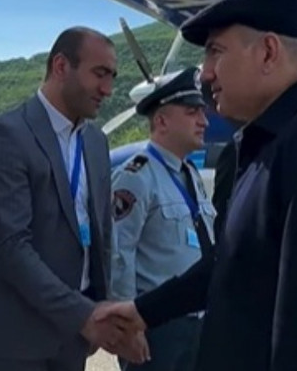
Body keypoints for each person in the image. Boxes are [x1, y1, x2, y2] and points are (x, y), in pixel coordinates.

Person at [97, 0, 297, 371]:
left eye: (215, 51)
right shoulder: (272, 142)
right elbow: (233, 265)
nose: (206, 73)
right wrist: (144, 310)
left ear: (268, 52)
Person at [0, 26, 147, 371]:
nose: (108, 89)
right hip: (17, 342)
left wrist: (105, 311)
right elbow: (11, 248)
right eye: (99, 74)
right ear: (61, 66)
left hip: (73, 339)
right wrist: (84, 315)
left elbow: (102, 236)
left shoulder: (95, 142)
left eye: (111, 77)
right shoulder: (7, 136)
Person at [110, 67, 215, 371]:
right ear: (162, 121)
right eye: (192, 112)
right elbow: (118, 255)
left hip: (199, 324)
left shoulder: (190, 174)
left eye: (203, 112)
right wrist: (127, 328)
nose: (204, 121)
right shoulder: (136, 177)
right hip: (159, 329)